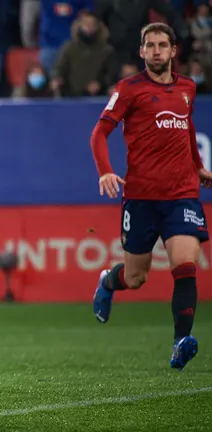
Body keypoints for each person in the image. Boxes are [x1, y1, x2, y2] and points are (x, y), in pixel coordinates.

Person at [89, 23, 212, 370]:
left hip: (182, 195)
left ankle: (180, 341)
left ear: (174, 51)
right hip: (141, 197)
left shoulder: (188, 87)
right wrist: (105, 171)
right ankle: (108, 282)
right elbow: (99, 133)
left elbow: (186, 129)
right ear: (142, 51)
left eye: (163, 45)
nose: (157, 51)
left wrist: (199, 167)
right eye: (150, 45)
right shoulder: (129, 90)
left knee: (185, 266)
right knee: (136, 277)